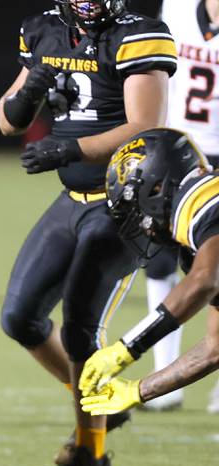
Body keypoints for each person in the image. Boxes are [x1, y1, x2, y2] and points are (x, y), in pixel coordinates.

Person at [0, 0, 176, 466]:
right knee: (19, 316)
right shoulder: (44, 30)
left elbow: (145, 125)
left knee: (81, 328)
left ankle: (90, 459)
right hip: (71, 199)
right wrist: (32, 85)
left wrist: (69, 148)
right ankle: (92, 402)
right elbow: (8, 122)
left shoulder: (140, 33)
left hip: (124, 203)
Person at [79, 128, 219, 413]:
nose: (142, 221)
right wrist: (139, 390)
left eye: (135, 205)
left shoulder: (201, 201)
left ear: (156, 187)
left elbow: (205, 281)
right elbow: (214, 349)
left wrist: (127, 349)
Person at [157, 0, 219, 412]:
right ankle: (167, 381)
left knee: (214, 273)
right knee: (159, 258)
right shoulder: (177, 9)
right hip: (183, 153)